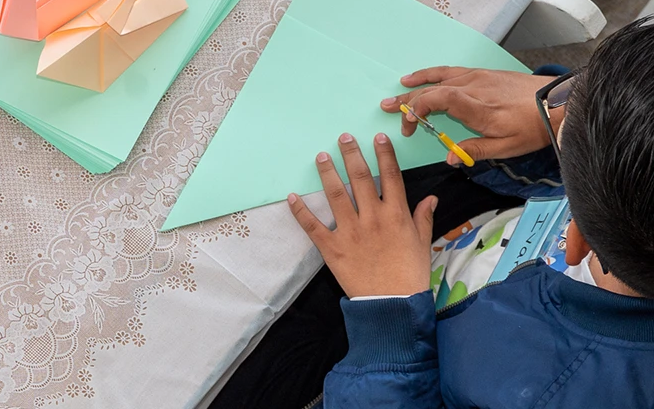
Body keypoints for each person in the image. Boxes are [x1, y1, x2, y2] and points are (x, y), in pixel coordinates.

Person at [212, 22, 654, 407]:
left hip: (386, 354)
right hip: (462, 234)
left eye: (562, 108)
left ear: (574, 238)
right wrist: (567, 123)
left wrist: (386, 312)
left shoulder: (553, 388)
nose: (553, 102)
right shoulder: (630, 228)